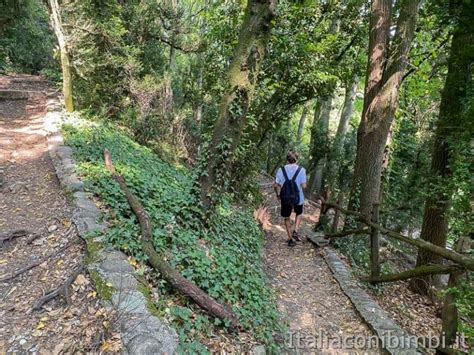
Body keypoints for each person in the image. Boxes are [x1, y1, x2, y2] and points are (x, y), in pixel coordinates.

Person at [273, 151, 307, 247]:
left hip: (285, 197)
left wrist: (278, 195)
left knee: (286, 217)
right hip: (298, 197)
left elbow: (275, 185)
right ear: (297, 159)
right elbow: (304, 186)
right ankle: (295, 230)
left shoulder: (281, 170)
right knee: (299, 213)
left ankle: (290, 238)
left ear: (287, 160)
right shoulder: (302, 170)